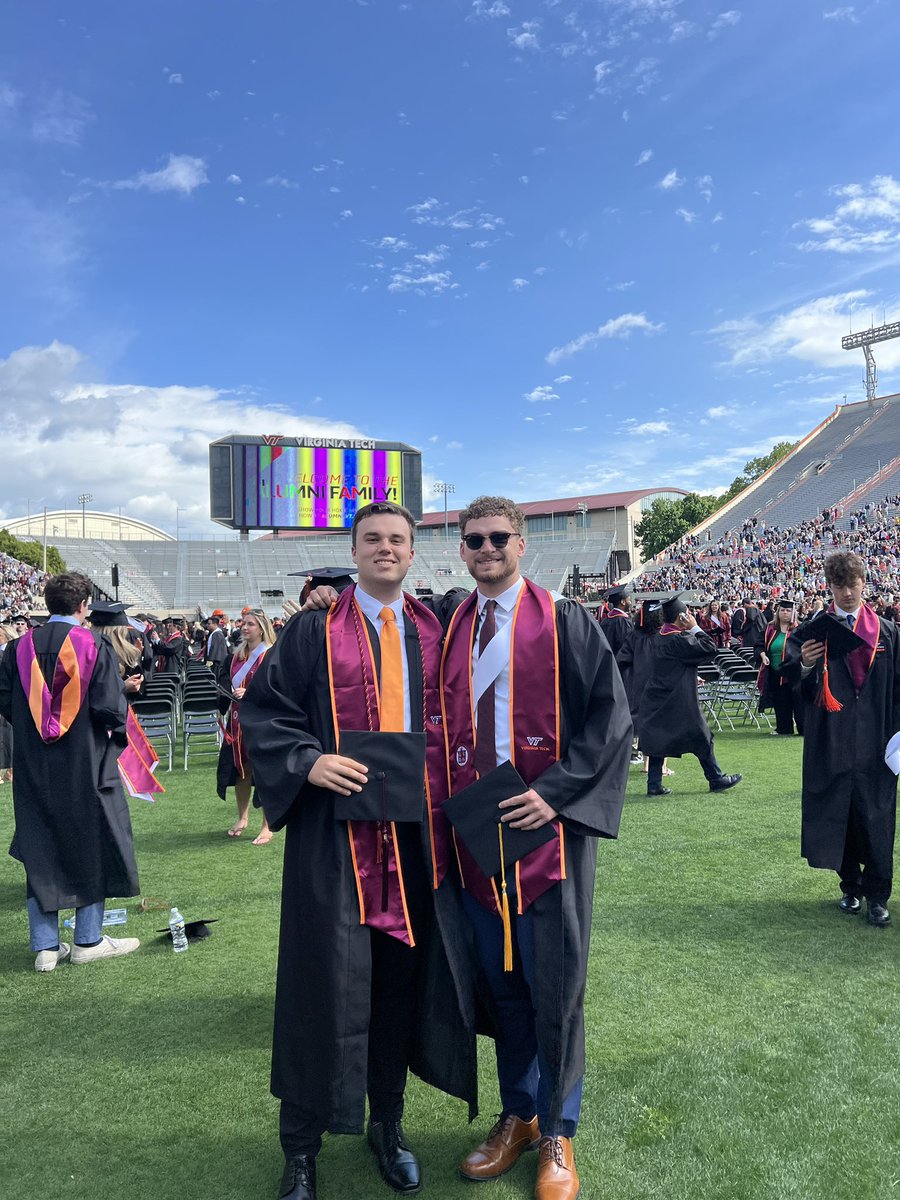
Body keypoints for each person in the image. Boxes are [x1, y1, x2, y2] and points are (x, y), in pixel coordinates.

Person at [239, 502, 477, 1200]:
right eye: (372, 538)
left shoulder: (433, 630)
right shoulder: (314, 632)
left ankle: (389, 1125)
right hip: (334, 838)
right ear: (355, 549)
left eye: (397, 540)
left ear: (412, 552)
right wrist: (308, 761)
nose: (385, 548)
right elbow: (263, 710)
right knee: (323, 986)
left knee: (400, 987)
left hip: (415, 839)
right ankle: (301, 1150)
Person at [443, 496, 632, 1200]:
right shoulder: (452, 624)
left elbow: (609, 718)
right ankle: (518, 1114)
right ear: (461, 550)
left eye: (498, 538)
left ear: (521, 545)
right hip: (476, 837)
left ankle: (559, 1129)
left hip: (545, 829)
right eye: (474, 540)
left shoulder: (563, 620)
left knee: (556, 986)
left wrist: (556, 793)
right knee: (503, 988)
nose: (486, 549)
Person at [0, 572, 140, 970]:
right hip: (85, 762)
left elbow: (5, 702)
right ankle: (87, 940)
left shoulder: (17, 648)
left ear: (48, 604)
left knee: (39, 841)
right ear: (83, 607)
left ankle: (45, 947)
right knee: (89, 841)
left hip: (32, 766)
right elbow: (111, 710)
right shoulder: (93, 644)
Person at [783, 551, 900, 927]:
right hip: (831, 739)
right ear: (829, 587)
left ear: (865, 583)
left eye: (853, 584)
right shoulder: (814, 631)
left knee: (878, 817)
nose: (847, 592)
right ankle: (850, 885)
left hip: (876, 741)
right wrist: (805, 662)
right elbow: (791, 680)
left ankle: (878, 895)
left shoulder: (887, 631)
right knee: (841, 814)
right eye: (839, 586)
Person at [635, 593, 742, 798]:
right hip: (678, 701)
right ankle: (716, 778)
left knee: (658, 740)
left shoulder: (658, 637)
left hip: (657, 697)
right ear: (682, 617)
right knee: (702, 737)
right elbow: (710, 648)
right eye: (687, 614)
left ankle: (654, 784)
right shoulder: (678, 639)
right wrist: (695, 627)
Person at [217, 608, 277, 843]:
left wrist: (251, 692)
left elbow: (278, 686)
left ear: (262, 628)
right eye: (243, 623)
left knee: (264, 772)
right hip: (237, 722)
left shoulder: (271, 654)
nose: (245, 627)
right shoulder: (235, 657)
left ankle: (268, 824)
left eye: (250, 624)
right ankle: (242, 817)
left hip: (262, 721)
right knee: (241, 770)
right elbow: (222, 678)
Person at [756, 600, 803, 736]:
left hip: (795, 672)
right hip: (775, 672)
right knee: (781, 701)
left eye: (788, 611)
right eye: (782, 610)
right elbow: (759, 645)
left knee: (798, 702)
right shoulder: (770, 629)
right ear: (778, 612)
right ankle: (784, 728)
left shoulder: (799, 629)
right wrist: (763, 655)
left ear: (793, 613)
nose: (785, 613)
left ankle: (803, 729)